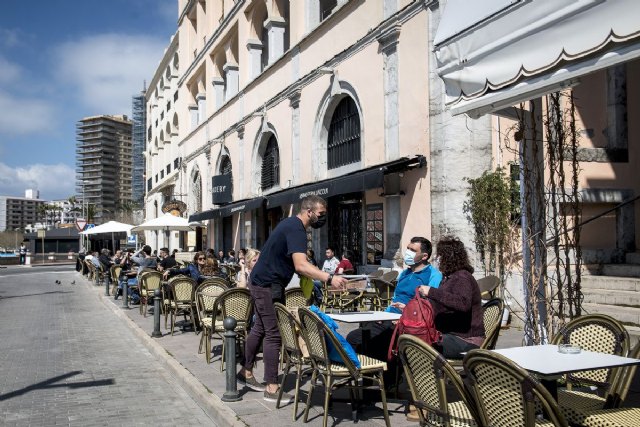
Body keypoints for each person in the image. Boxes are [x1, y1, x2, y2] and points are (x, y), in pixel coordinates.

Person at [237, 195, 349, 403]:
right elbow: (300, 264)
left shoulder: (290, 225)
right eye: (321, 214)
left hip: (263, 282)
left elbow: (297, 263)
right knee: (274, 334)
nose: (323, 218)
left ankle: (246, 371)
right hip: (268, 285)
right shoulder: (297, 229)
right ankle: (271, 387)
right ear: (309, 212)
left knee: (260, 328)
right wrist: (329, 277)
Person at [346, 236, 442, 387]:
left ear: (424, 256)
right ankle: (371, 378)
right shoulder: (405, 273)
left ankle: (384, 380)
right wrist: (383, 314)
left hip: (408, 323)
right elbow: (395, 299)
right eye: (408, 248)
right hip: (389, 316)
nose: (408, 252)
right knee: (361, 330)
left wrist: (406, 314)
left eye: (412, 250)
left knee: (360, 338)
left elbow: (430, 306)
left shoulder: (433, 275)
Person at [418, 236, 484, 359]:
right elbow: (443, 306)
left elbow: (462, 303)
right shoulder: (449, 278)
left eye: (440, 255)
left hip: (466, 340)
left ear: (448, 257)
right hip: (450, 335)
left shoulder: (462, 277)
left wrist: (431, 292)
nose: (437, 259)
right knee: (411, 337)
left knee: (420, 346)